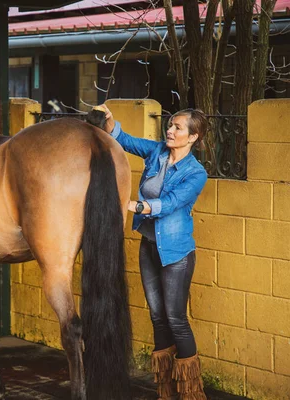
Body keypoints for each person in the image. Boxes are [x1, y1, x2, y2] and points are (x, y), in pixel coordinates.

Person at [99, 104, 208, 400]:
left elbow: (171, 203)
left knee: (175, 319)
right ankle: (165, 391)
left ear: (193, 137)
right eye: (170, 126)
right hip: (148, 248)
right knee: (157, 317)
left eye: (178, 128)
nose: (170, 131)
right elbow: (125, 140)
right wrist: (110, 120)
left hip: (176, 255)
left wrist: (132, 206)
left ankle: (190, 392)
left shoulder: (196, 173)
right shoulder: (157, 152)